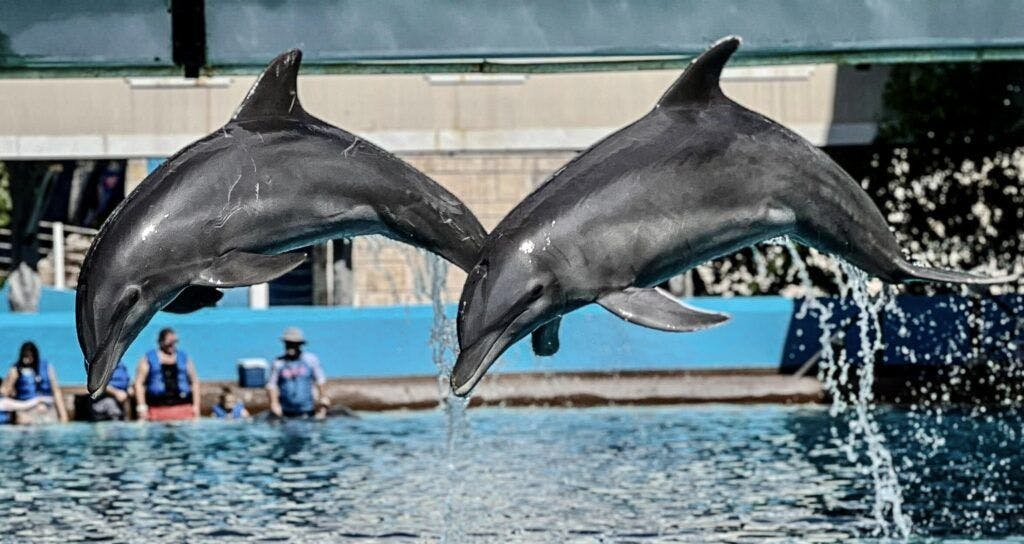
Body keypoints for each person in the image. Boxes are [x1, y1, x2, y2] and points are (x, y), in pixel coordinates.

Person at [133, 328, 201, 421]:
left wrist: (196, 407)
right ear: (160, 342)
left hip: (183, 409)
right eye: (169, 342)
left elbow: (194, 382)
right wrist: (141, 407)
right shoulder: (147, 359)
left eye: (175, 342)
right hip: (157, 410)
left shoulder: (184, 358)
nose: (172, 345)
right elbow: (139, 383)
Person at [267, 327, 329, 418]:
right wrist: (274, 403)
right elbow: (271, 385)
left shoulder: (311, 360)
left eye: (294, 344)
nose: (291, 347)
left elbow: (320, 380)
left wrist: (323, 398)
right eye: (288, 344)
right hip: (286, 412)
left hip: (308, 411)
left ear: (300, 345)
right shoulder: (278, 363)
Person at [0, 342, 68, 424]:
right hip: (26, 409)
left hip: (46, 409)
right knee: (22, 419)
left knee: (50, 420)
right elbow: (4, 392)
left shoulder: (46, 368)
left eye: (29, 356)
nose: (26, 360)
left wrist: (63, 416)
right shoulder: (15, 370)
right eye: (25, 356)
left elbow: (56, 391)